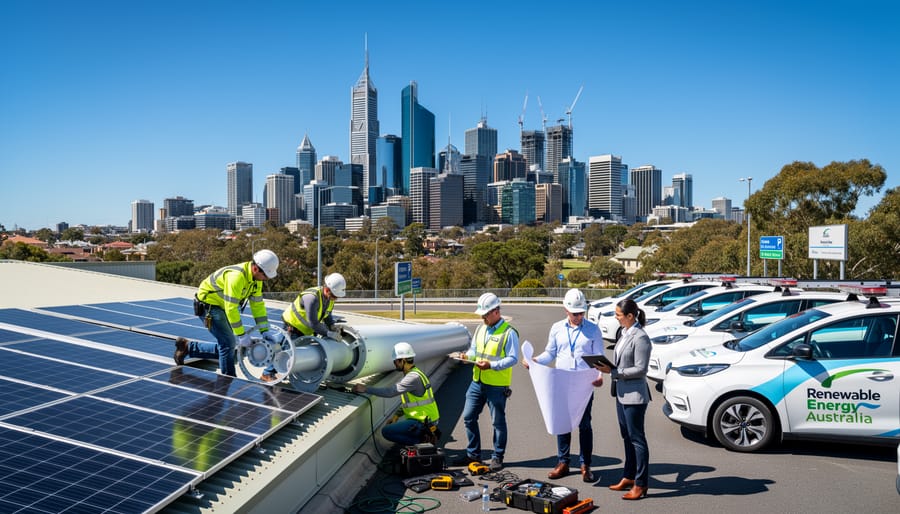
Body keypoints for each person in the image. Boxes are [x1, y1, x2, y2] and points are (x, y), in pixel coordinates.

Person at [524, 288, 604, 482]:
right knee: (562, 423)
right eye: (575, 313)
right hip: (561, 382)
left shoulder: (593, 329)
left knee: (584, 425)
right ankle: (563, 462)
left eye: (581, 313)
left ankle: (586, 465)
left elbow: (599, 358)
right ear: (565, 310)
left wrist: (600, 375)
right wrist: (535, 360)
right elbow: (550, 353)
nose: (578, 317)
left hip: (584, 383)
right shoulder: (557, 328)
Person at [174, 249, 279, 377]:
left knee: (228, 345)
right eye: (265, 276)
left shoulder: (256, 281)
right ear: (256, 269)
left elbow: (258, 306)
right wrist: (241, 334)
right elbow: (231, 308)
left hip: (223, 306)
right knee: (228, 343)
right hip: (210, 306)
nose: (266, 279)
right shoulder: (237, 277)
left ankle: (187, 347)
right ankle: (229, 381)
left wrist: (265, 330)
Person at [592, 298, 651, 501]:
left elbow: (641, 369)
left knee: (637, 440)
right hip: (621, 393)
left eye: (618, 315)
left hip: (635, 396)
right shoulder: (624, 332)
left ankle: (641, 484)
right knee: (627, 438)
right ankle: (628, 476)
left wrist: (614, 371)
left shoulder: (640, 337)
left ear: (630, 316)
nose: (616, 318)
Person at [456, 292, 519, 472]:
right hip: (477, 381)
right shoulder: (480, 328)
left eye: (485, 314)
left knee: (497, 422)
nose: (483, 317)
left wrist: (491, 365)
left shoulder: (509, 332)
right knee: (468, 417)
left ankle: (497, 456)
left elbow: (513, 358)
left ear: (496, 311)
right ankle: (473, 454)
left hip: (497, 385)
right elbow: (475, 350)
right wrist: (466, 356)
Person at [260, 272, 347, 382]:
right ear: (327, 289)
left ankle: (284, 372)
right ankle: (267, 374)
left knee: (296, 354)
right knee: (285, 350)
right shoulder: (312, 298)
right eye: (335, 296)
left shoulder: (329, 299)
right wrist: (328, 333)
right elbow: (313, 323)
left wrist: (332, 326)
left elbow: (327, 314)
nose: (335, 299)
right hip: (292, 325)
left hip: (305, 329)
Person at [352, 342, 441, 446]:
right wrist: (396, 416)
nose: (394, 364)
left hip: (423, 422)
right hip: (428, 420)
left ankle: (421, 443)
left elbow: (390, 392)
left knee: (387, 431)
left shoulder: (412, 378)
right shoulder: (416, 373)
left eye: (395, 361)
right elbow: (412, 403)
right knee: (395, 429)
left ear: (402, 360)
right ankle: (423, 439)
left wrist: (365, 388)